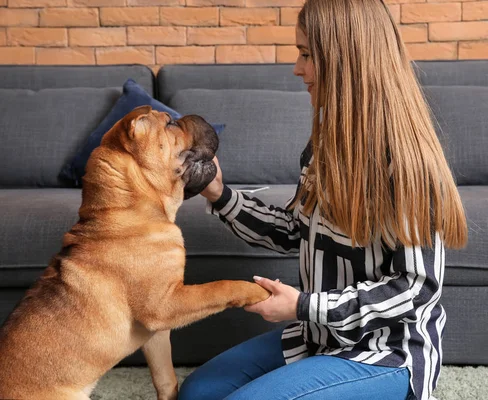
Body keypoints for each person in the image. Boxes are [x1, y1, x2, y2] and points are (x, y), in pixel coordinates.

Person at [179, 0, 467, 399]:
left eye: (306, 54)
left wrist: (303, 305)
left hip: (382, 353)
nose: (297, 68)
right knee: (198, 393)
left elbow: (415, 286)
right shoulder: (324, 145)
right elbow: (292, 231)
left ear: (345, 59)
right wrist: (220, 194)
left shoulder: (404, 161)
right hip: (317, 339)